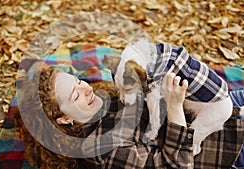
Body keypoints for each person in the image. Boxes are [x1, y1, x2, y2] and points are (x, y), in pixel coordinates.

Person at [15, 64, 243, 169]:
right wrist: (174, 107)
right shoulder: (101, 149)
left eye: (79, 81)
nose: (87, 88)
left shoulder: (103, 100)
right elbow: (176, 165)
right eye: (76, 95)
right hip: (227, 146)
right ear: (64, 119)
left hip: (214, 109)